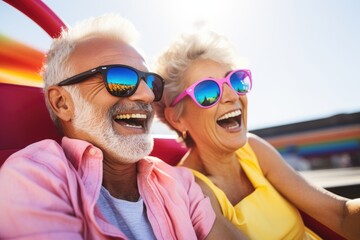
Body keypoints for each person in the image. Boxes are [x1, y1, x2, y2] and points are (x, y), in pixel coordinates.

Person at [0, 14, 247, 240]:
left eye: (151, 82)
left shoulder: (180, 183)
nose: (148, 95)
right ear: (62, 103)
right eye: (120, 79)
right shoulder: (34, 178)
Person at [153, 29, 360, 240]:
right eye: (207, 91)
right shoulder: (191, 189)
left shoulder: (253, 148)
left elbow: (340, 214)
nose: (233, 96)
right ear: (176, 118)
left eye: (235, 81)